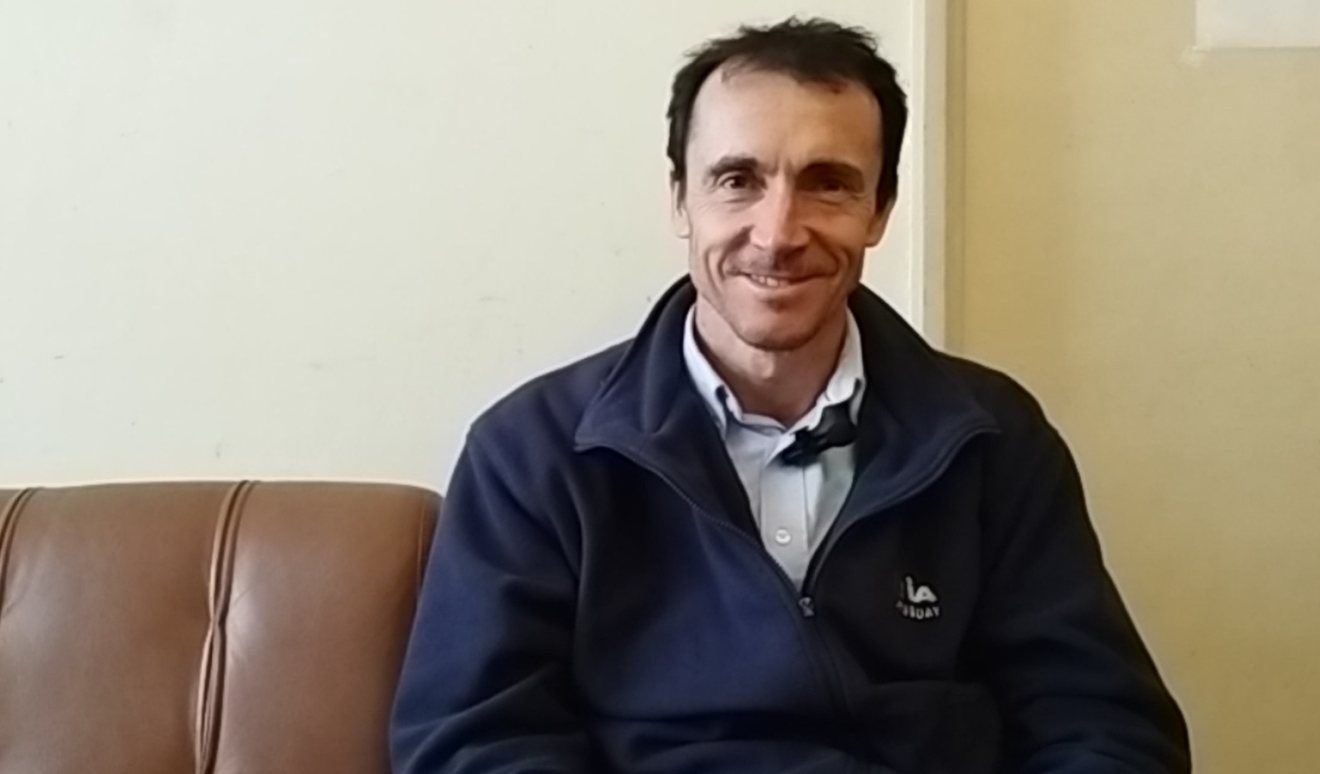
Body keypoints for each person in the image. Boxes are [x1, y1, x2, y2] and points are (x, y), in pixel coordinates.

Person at [391, 17, 1190, 774]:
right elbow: (475, 742)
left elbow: (1100, 724)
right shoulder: (529, 453)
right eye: (737, 180)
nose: (778, 233)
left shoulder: (995, 440)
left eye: (828, 184)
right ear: (680, 199)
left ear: (880, 210)